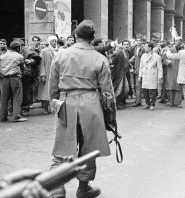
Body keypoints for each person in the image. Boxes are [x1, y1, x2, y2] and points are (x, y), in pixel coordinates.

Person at [48, 20, 114, 198]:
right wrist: (110, 118)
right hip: (91, 104)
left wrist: (54, 103)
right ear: (92, 39)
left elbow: (52, 85)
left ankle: (56, 190)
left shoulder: (61, 55)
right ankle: (83, 187)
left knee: (62, 147)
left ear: (76, 36)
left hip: (66, 102)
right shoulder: (100, 59)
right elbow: (107, 93)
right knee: (88, 148)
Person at [0, 41, 27, 122]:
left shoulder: (3, 56)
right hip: (15, 78)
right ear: (18, 48)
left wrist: (3, 74)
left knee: (4, 98)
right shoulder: (19, 56)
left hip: (4, 79)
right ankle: (16, 116)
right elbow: (23, 68)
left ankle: (3, 117)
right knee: (17, 97)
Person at [139, 41, 163, 110]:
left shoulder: (157, 57)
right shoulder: (143, 56)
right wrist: (140, 75)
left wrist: (160, 77)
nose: (144, 48)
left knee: (153, 91)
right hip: (145, 75)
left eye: (146, 46)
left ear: (150, 48)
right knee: (145, 90)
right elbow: (141, 66)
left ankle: (152, 104)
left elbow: (160, 68)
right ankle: (147, 103)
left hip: (152, 75)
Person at [38, 35, 58, 114]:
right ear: (49, 42)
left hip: (56, 74)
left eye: (55, 41)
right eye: (52, 41)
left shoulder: (58, 51)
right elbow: (41, 64)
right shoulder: (44, 51)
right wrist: (42, 74)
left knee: (54, 91)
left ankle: (53, 107)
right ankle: (45, 107)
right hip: (47, 72)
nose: (54, 43)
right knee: (45, 92)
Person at [110, 40, 130, 107]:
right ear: (122, 45)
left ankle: (118, 102)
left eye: (127, 44)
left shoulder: (127, 53)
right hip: (118, 74)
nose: (126, 45)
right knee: (118, 89)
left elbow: (126, 62)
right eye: (125, 44)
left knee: (126, 89)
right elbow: (111, 59)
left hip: (124, 74)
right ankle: (113, 104)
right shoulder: (118, 53)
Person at [166, 37, 183, 107]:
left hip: (180, 70)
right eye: (175, 40)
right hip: (171, 69)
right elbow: (164, 58)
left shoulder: (183, 50)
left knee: (179, 87)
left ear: (181, 41)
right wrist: (167, 62)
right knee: (171, 87)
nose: (176, 42)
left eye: (178, 40)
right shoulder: (170, 49)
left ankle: (178, 102)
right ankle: (171, 101)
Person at [129, 36, 145, 107]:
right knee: (136, 85)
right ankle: (137, 100)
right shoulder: (135, 48)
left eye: (140, 40)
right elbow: (135, 57)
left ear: (142, 41)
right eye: (137, 40)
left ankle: (138, 101)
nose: (138, 42)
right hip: (135, 69)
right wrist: (131, 60)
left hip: (141, 69)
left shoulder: (143, 49)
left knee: (138, 86)